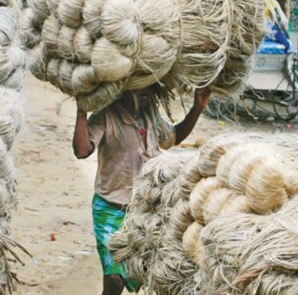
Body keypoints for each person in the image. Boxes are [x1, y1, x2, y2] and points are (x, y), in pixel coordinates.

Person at [73, 86, 212, 295]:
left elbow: (174, 137)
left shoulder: (150, 115)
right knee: (114, 278)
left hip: (145, 208)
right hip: (110, 209)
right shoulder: (106, 116)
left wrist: (197, 107)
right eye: (139, 90)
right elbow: (82, 150)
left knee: (139, 275)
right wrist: (81, 112)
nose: (145, 94)